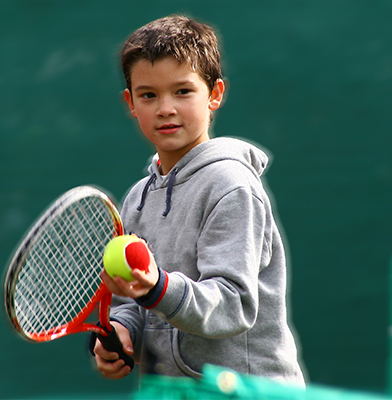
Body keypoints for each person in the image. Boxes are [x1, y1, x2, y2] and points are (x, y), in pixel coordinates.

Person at [91, 15, 305, 386]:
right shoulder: (137, 200)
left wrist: (159, 287)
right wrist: (124, 334)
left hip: (252, 392)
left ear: (215, 94)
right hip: (176, 391)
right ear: (131, 103)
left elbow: (233, 304)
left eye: (183, 91)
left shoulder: (232, 186)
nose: (165, 108)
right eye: (148, 95)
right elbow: (135, 301)